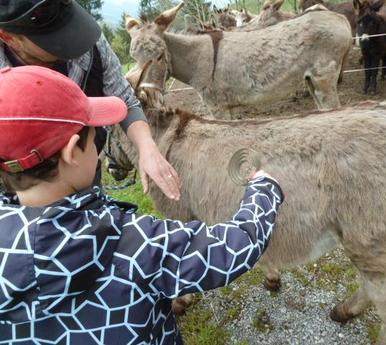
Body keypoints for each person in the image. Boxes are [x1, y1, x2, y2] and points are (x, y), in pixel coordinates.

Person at [0, 66, 284, 344]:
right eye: (95, 134)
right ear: (73, 151)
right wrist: (264, 190)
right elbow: (233, 248)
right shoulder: (133, 245)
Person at [0, 0, 181, 200]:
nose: (70, 40)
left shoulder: (89, 42)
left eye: (69, 26)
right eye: (52, 38)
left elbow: (124, 97)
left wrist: (147, 147)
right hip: (21, 189)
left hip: (83, 170)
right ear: (8, 37)